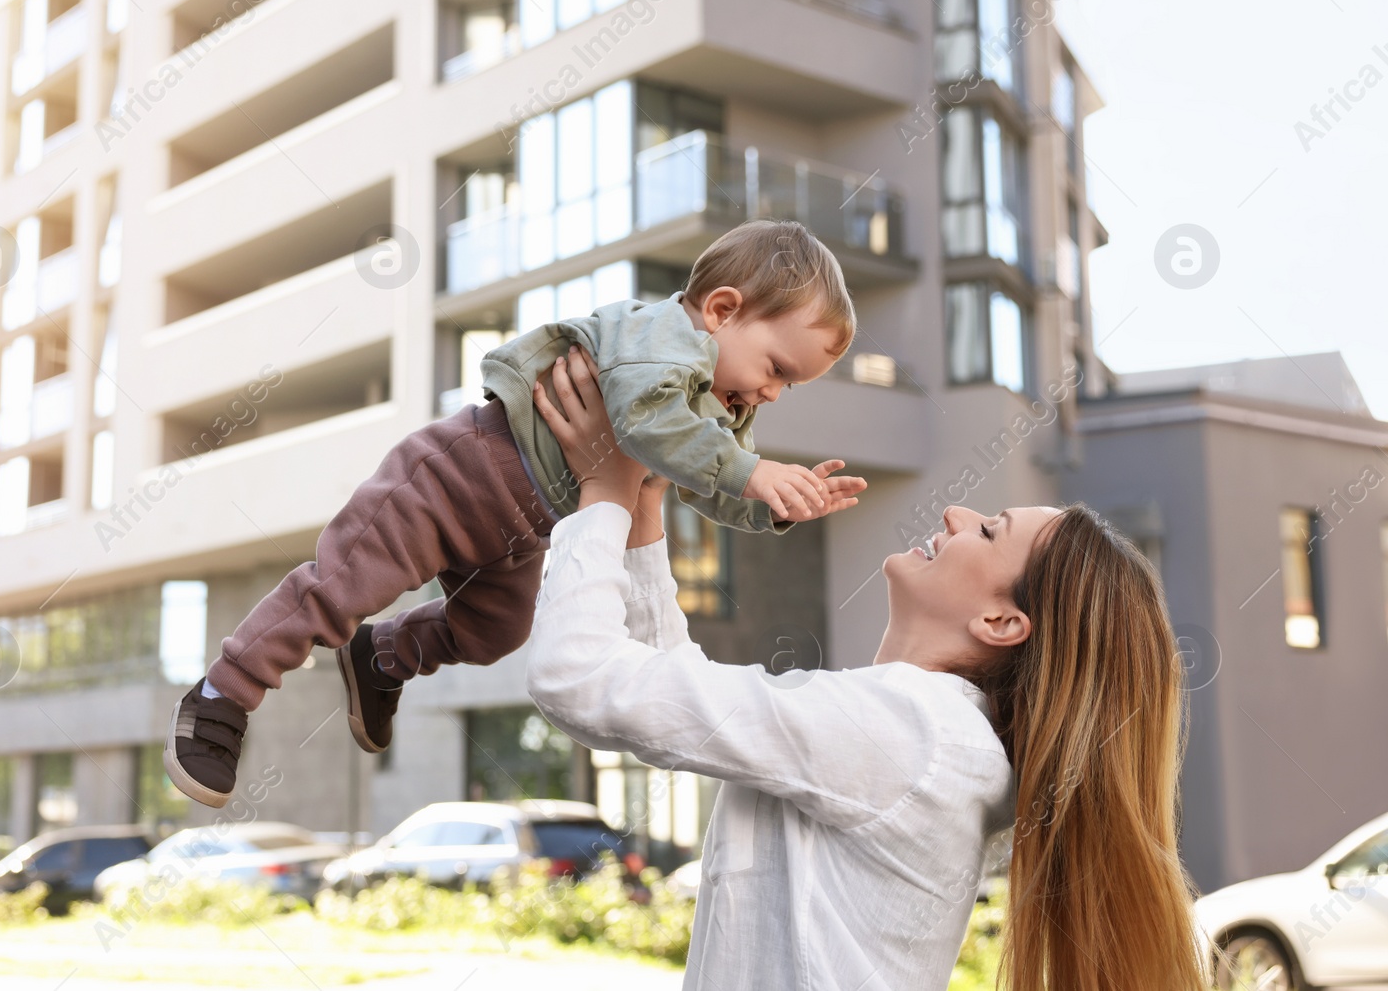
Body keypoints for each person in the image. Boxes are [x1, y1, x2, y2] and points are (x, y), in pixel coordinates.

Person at [526, 347, 1207, 991]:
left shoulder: (910, 732)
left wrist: (604, 491)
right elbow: (675, 699)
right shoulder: (937, 739)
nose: (955, 511)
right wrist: (644, 510)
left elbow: (578, 679)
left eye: (991, 529)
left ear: (1001, 623)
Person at [165, 219, 867, 808]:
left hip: (520, 533)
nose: (774, 393)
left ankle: (381, 657)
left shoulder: (720, 404)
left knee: (496, 629)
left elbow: (703, 479)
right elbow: (648, 425)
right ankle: (224, 691)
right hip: (455, 477)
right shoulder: (663, 340)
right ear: (720, 310)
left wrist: (773, 503)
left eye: (790, 384)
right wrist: (753, 470)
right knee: (338, 588)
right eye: (777, 367)